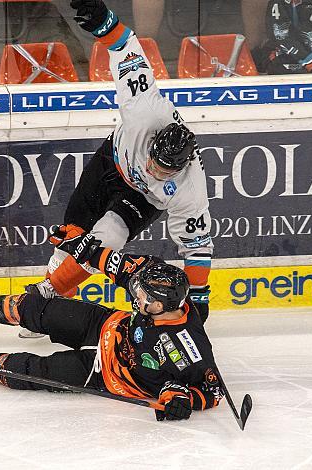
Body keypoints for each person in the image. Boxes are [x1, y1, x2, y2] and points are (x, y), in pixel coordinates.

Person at [20, 0, 213, 337]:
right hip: (110, 164)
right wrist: (105, 22)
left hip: (143, 201)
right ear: (153, 143)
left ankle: (46, 301)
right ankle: (54, 293)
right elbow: (127, 50)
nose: (158, 171)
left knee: (101, 242)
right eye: (156, 162)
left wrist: (199, 297)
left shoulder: (190, 187)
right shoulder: (144, 111)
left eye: (168, 171)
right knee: (69, 240)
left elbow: (196, 245)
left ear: (181, 167)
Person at [0, 227, 223, 422]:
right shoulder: (152, 275)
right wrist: (80, 244)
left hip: (109, 376)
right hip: (108, 325)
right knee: (37, 309)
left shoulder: (192, 351)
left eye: (145, 298)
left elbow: (212, 392)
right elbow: (108, 261)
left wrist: (182, 400)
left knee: (33, 372)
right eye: (139, 290)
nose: (137, 297)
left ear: (165, 306)